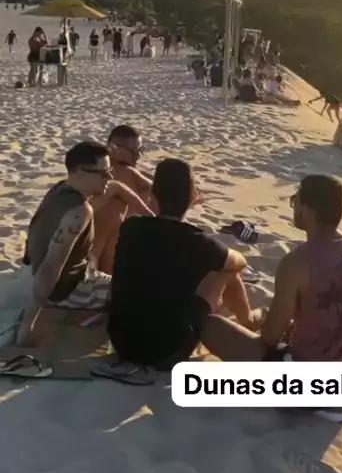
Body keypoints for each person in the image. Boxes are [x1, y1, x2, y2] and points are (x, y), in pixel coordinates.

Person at [199, 175, 342, 423]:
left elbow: (269, 338)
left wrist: (271, 323)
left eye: (296, 200)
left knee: (210, 326)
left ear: (309, 209)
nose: (293, 206)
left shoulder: (298, 261)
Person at [107, 159, 260, 368]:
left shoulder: (130, 228)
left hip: (122, 344)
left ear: (152, 194)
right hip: (167, 352)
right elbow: (239, 263)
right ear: (193, 198)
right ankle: (248, 320)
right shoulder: (199, 242)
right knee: (225, 270)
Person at [18, 142, 118, 345]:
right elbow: (51, 266)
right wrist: (27, 328)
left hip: (52, 277)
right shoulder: (78, 212)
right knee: (138, 291)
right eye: (103, 173)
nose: (109, 177)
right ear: (79, 171)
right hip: (71, 292)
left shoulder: (59, 189)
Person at [107, 125, 154, 211]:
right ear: (113, 148)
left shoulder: (138, 172)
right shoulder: (125, 173)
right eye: (134, 151)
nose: (138, 155)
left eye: (141, 150)